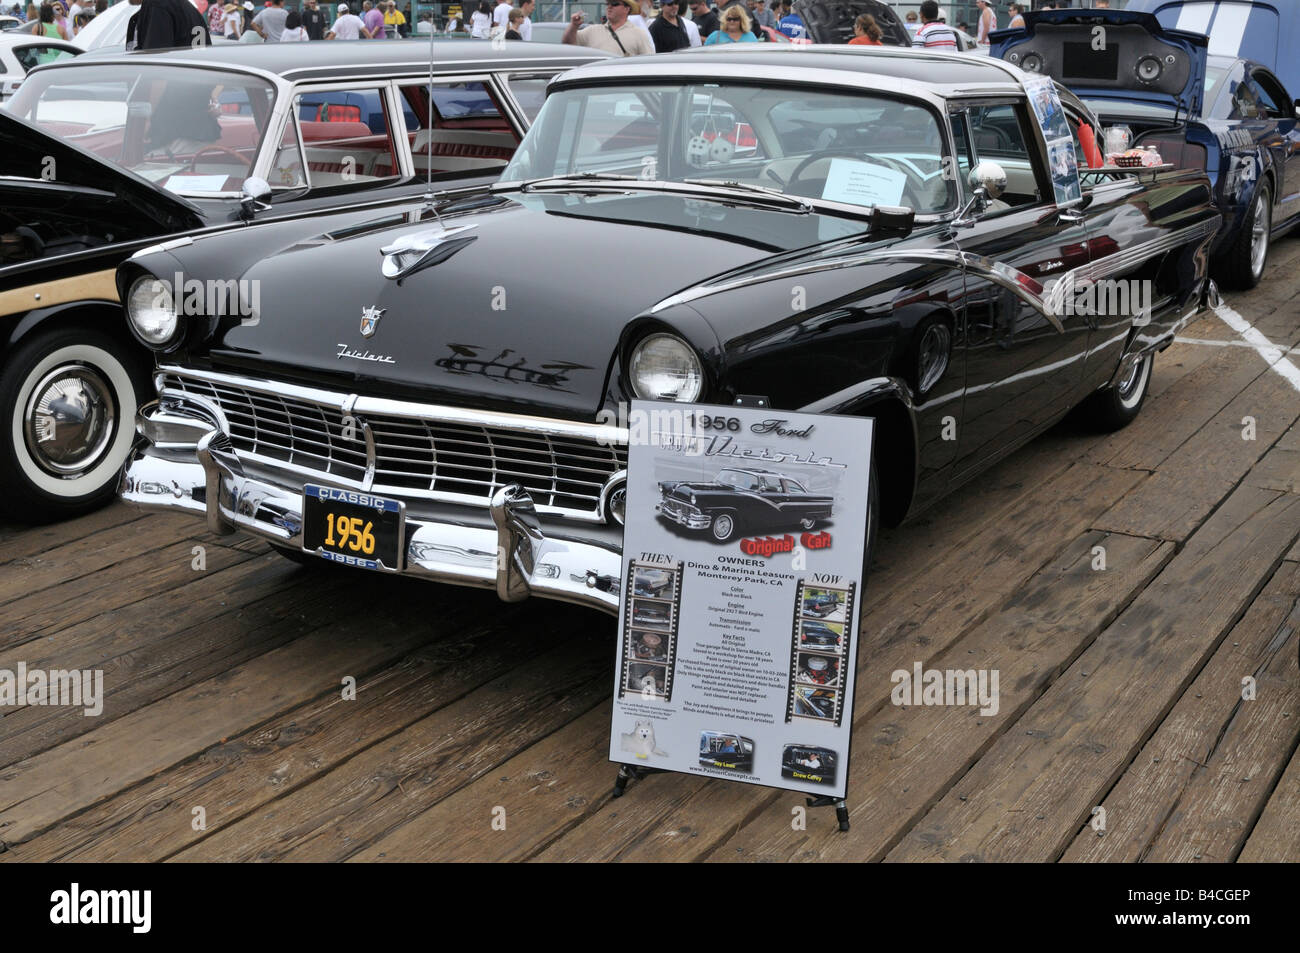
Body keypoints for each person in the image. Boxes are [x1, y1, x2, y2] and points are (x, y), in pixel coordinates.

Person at [561, 1, 654, 55]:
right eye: (608, 3)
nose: (609, 7)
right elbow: (568, 43)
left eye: (614, 4)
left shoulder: (639, 34)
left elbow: (647, 64)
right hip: (596, 85)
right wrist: (574, 25)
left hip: (624, 85)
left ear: (627, 9)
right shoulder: (592, 31)